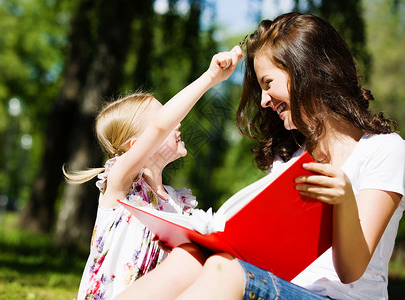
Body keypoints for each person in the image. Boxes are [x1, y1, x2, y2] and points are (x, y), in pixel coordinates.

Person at [115, 12, 405, 300]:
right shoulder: (290, 158)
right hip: (276, 285)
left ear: (306, 70)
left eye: (268, 83)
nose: (264, 100)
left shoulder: (384, 150)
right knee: (190, 255)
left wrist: (344, 202)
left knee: (224, 270)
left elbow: (351, 271)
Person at [63, 45, 243, 299]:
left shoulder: (177, 203)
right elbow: (160, 126)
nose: (176, 121)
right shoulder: (121, 184)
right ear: (136, 147)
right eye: (167, 116)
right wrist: (211, 78)